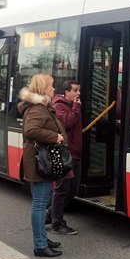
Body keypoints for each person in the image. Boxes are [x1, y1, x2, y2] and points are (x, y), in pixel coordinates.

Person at [18, 74, 67, 257]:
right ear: (43, 88)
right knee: (39, 204)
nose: (54, 90)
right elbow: (31, 130)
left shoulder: (39, 106)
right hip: (40, 162)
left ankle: (43, 239)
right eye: (51, 86)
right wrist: (55, 137)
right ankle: (39, 244)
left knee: (41, 202)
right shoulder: (38, 108)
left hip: (40, 160)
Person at [47, 80, 82, 235]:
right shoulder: (59, 105)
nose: (78, 93)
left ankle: (50, 214)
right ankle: (57, 223)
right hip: (64, 152)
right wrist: (76, 108)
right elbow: (67, 122)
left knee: (72, 190)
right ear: (66, 92)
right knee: (61, 189)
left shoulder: (72, 106)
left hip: (75, 153)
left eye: (79, 90)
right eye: (75, 90)